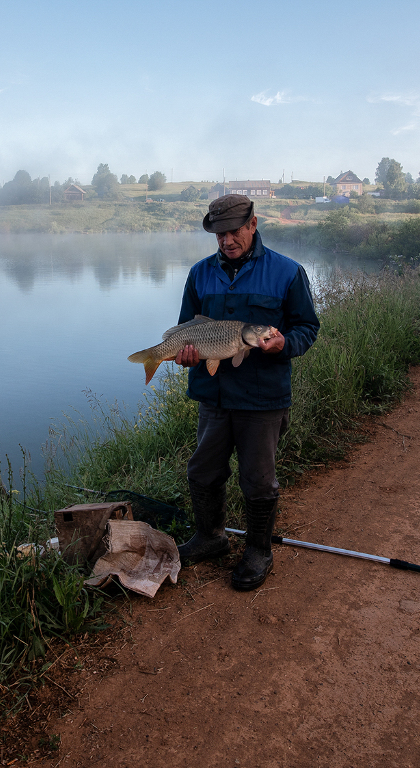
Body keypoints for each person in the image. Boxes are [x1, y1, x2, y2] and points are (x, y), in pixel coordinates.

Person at [175, 194, 319, 590]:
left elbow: (308, 328)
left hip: (262, 399)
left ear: (253, 224)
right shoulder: (199, 274)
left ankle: (258, 551)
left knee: (258, 480)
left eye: (233, 232)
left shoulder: (287, 272)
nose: (226, 241)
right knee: (203, 471)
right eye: (219, 235)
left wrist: (284, 344)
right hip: (213, 396)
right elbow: (186, 329)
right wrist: (187, 356)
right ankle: (210, 537)